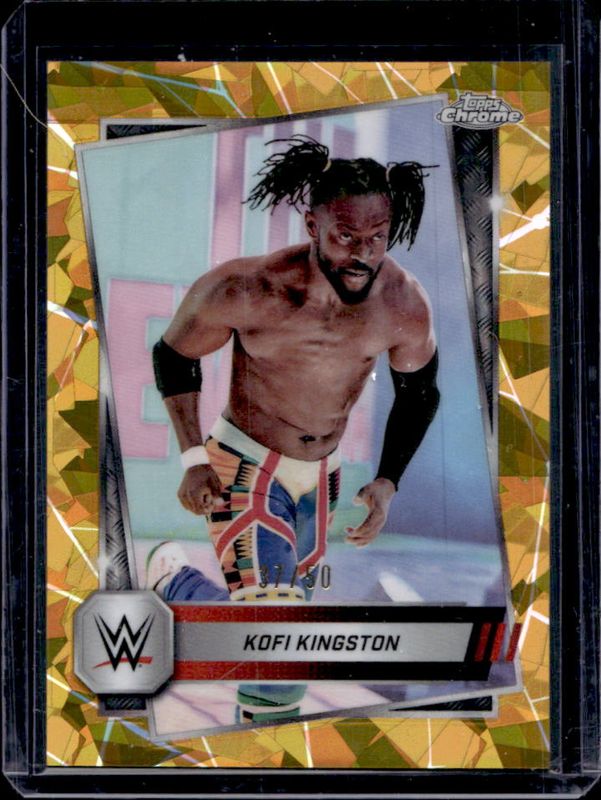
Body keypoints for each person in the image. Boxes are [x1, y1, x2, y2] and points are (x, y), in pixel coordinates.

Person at [149, 135, 440, 722]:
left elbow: (419, 393)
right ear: (312, 224)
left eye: (377, 238)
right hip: (244, 467)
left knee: (276, 661)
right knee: (280, 655)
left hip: (322, 480)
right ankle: (179, 590)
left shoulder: (402, 302)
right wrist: (192, 459)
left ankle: (178, 590)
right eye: (346, 236)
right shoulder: (251, 287)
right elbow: (173, 357)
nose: (362, 253)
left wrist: (388, 480)